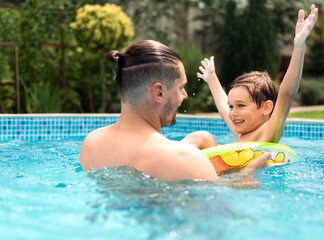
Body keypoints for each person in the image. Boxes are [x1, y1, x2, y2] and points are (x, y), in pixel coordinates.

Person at [79, 40, 276, 181]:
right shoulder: (184, 158)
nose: (185, 96)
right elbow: (224, 216)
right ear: (159, 92)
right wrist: (247, 176)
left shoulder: (91, 143)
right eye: (181, 87)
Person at [197, 4, 318, 144]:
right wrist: (212, 78)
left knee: (203, 138)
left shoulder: (266, 133)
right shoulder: (241, 132)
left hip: (251, 164)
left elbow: (287, 94)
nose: (233, 112)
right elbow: (223, 108)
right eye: (232, 106)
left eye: (241, 105)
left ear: (266, 108)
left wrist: (299, 46)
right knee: (201, 137)